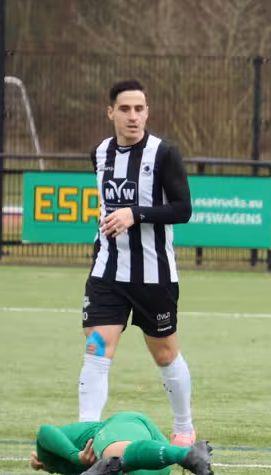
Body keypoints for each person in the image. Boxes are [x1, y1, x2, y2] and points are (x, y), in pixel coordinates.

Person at [78, 80, 197, 446]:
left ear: (147, 112)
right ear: (110, 112)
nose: (133, 116)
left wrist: (135, 213)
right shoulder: (100, 153)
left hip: (154, 274)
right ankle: (86, 434)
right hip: (108, 271)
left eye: (139, 109)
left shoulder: (164, 153)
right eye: (125, 109)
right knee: (97, 347)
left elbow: (183, 209)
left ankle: (184, 427)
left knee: (165, 353)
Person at [30, 411, 213, 475]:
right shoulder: (54, 463)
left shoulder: (47, 452)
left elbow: (45, 431)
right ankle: (182, 455)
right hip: (156, 465)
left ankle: (186, 454)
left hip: (123, 428)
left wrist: (76, 457)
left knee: (112, 458)